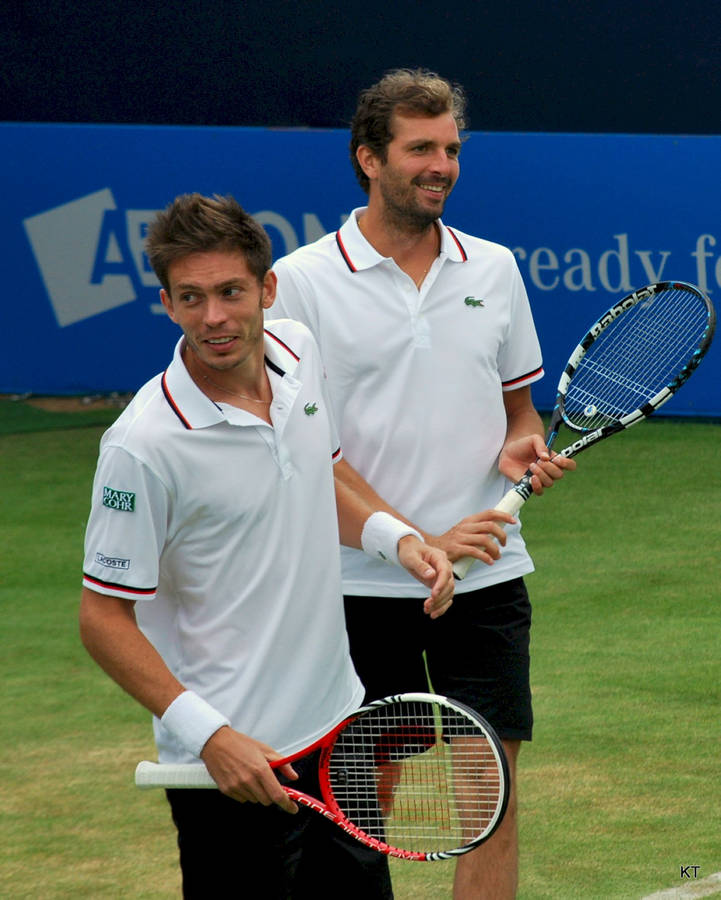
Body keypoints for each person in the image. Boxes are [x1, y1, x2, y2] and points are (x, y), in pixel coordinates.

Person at [78, 192, 455, 899]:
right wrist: (211, 736)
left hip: (335, 729)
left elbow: (320, 475)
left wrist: (396, 539)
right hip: (232, 766)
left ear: (267, 289)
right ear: (166, 303)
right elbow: (101, 619)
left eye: (230, 292)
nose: (214, 317)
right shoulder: (142, 444)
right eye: (191, 298)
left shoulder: (298, 352)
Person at [270, 69, 576, 899]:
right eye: (420, 149)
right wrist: (413, 541)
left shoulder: (496, 268)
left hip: (485, 574)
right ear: (369, 158)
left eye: (450, 148)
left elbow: (518, 414)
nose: (440, 164)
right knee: (361, 802)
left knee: (488, 792)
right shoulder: (296, 283)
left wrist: (523, 445)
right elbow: (304, 450)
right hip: (357, 583)